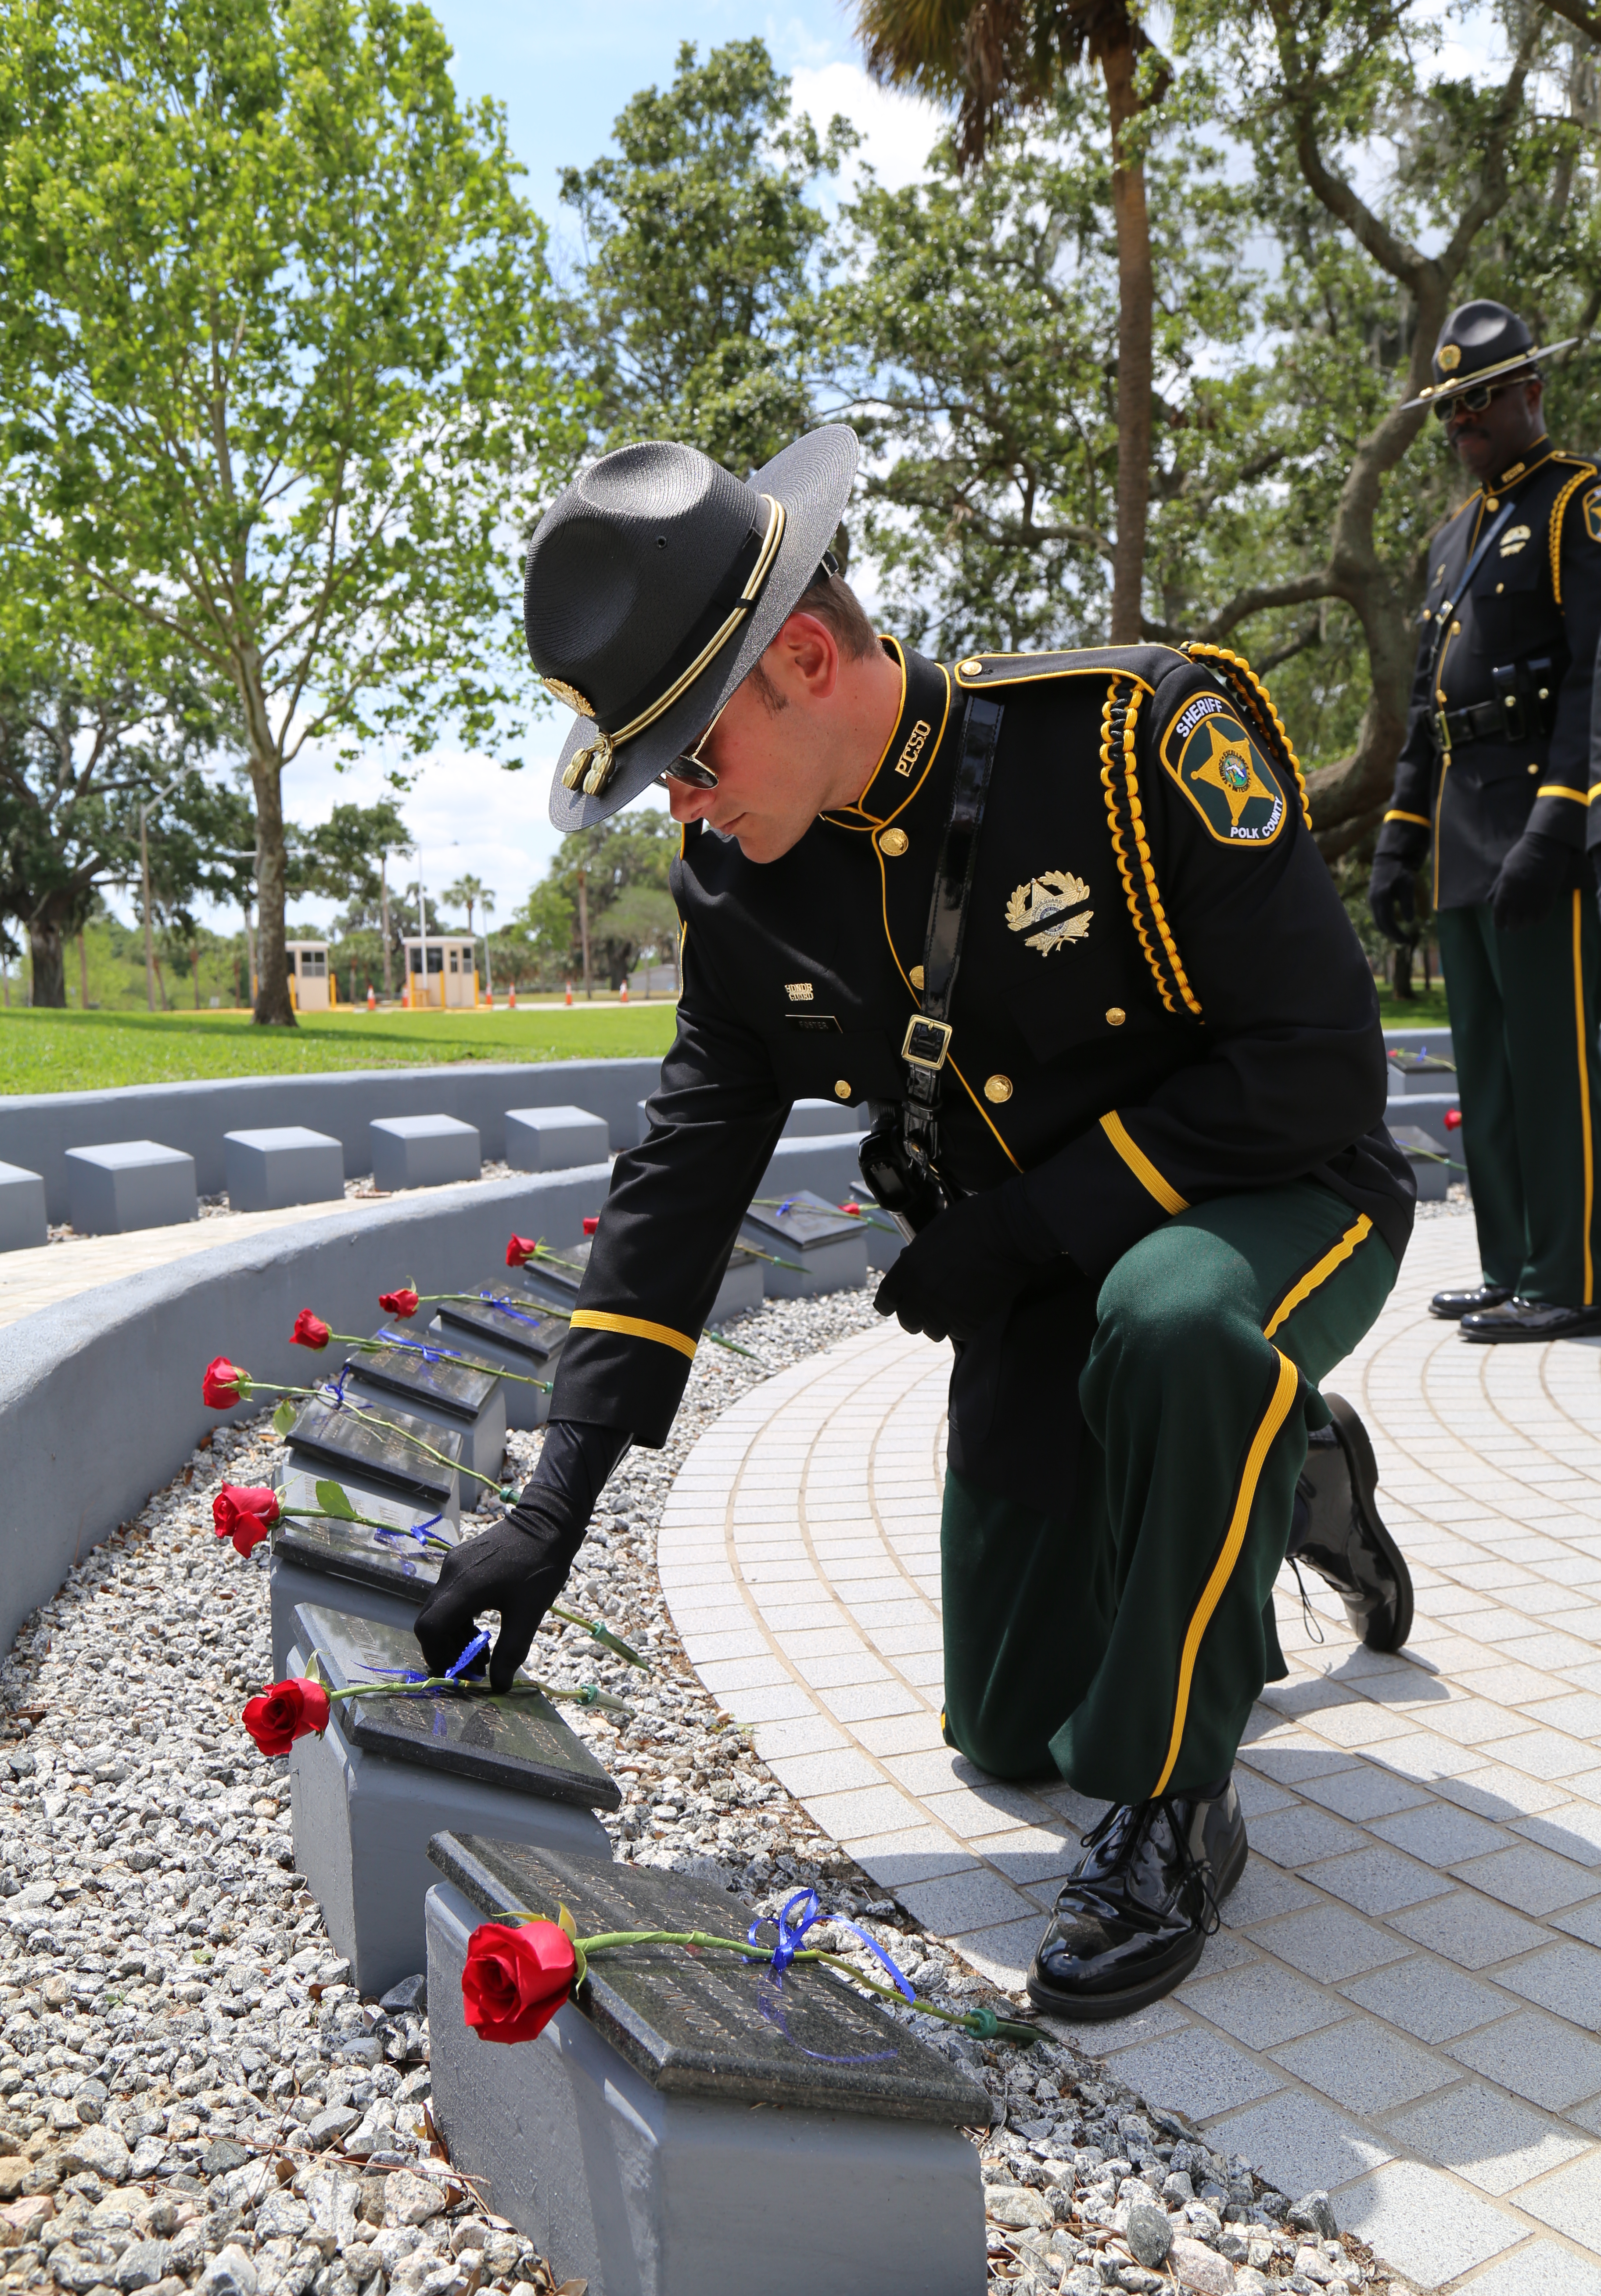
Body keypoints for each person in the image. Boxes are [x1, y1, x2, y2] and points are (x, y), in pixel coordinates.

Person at [417, 429, 1415, 2020]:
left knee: (1170, 1327)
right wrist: (553, 1505)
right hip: (1040, 1265)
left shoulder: (1131, 741)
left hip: (1269, 1197)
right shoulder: (737, 894)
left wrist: (1026, 1230)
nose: (677, 799)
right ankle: (1286, 1465)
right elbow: (682, 1170)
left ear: (801, 658)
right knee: (1009, 1731)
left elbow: (1315, 1072)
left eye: (688, 753)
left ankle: (1172, 1813)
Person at [1369, 300, 1601, 1341]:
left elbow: (1595, 676)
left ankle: (1577, 1276)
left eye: (1477, 401)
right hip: (1466, 831)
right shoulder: (1450, 537)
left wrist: (1561, 823)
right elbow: (1425, 707)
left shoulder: (1575, 505)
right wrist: (1398, 839)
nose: (1461, 421)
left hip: (1543, 830)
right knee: (1490, 1071)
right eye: (1448, 408)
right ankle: (1513, 1265)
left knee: (1556, 1066)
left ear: (1529, 395)